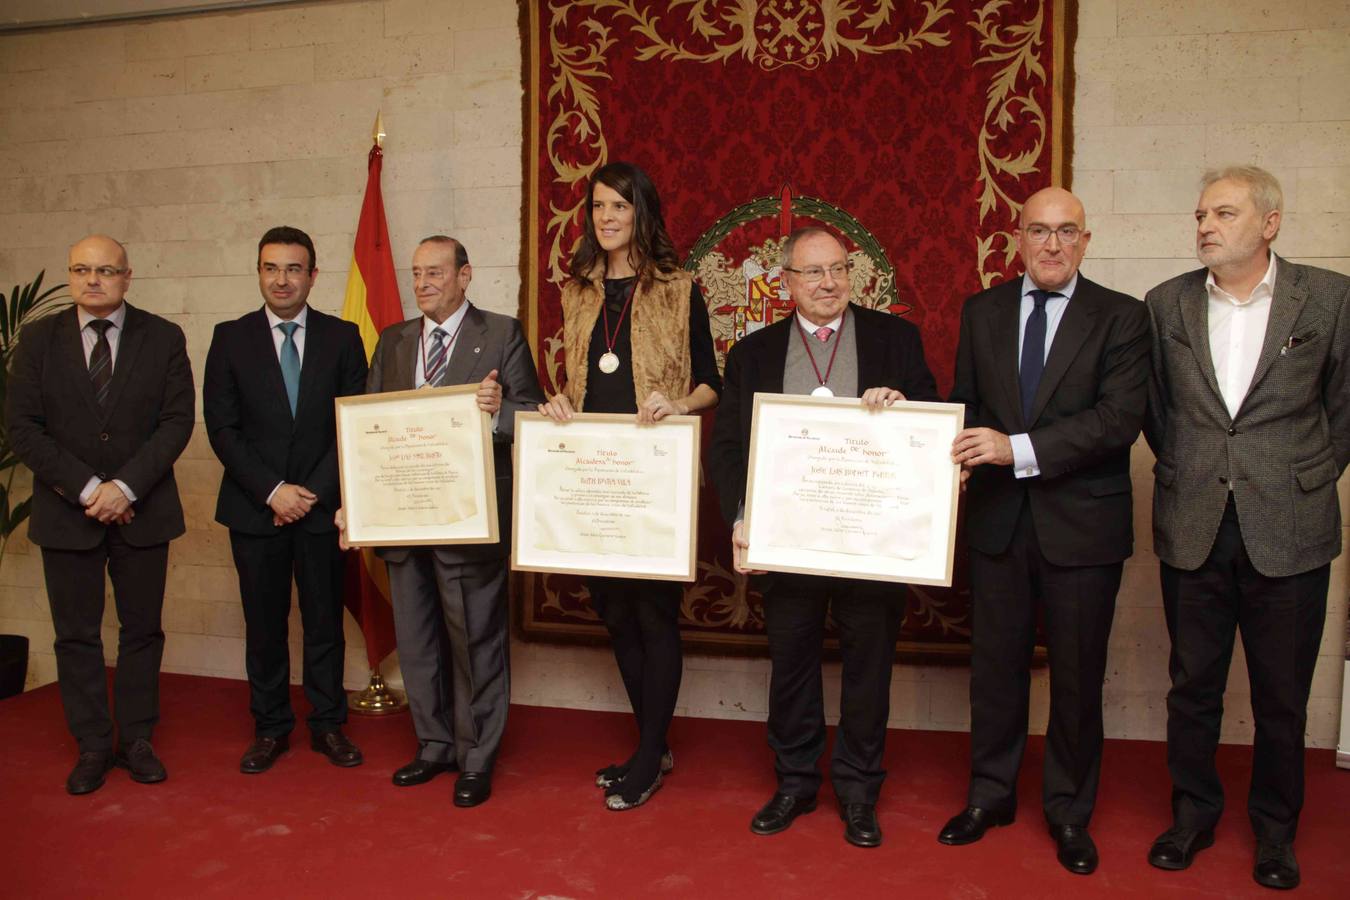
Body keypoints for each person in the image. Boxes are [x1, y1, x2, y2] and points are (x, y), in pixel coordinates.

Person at [1142, 166, 1349, 891]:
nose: (1205, 225)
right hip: (1194, 520)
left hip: (1290, 525)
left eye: (1223, 213)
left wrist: (1297, 476)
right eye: (1200, 214)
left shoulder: (1327, 297)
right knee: (1192, 685)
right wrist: (1201, 471)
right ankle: (1192, 817)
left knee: (1281, 695)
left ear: (1270, 222)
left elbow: (1342, 409)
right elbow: (1160, 413)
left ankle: (1275, 834)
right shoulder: (1164, 304)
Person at [939, 187, 1149, 875]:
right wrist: (941, 453)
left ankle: (1066, 811)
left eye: (1066, 232)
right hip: (998, 524)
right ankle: (990, 796)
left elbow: (1117, 422)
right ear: (1017, 239)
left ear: (1086, 241)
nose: (1052, 244)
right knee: (993, 674)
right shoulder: (983, 311)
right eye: (1038, 231)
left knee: (1078, 678)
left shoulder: (1121, 317)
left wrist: (1013, 449)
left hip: (1082, 528)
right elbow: (965, 404)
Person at [707, 225, 938, 847]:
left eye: (837, 269)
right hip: (788, 542)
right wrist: (741, 517)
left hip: (873, 543)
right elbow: (727, 446)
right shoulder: (752, 353)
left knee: (869, 668)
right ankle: (794, 783)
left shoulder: (896, 340)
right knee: (792, 667)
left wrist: (907, 408)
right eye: (812, 272)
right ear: (786, 283)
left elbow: (935, 427)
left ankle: (860, 793)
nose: (829, 283)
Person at [537, 161, 722, 811]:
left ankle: (648, 755)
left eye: (620, 205)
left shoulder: (678, 286)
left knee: (652, 612)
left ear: (642, 212)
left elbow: (711, 382)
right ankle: (655, 742)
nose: (607, 217)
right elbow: (579, 379)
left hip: (654, 471)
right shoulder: (578, 289)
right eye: (597, 207)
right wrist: (559, 400)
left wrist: (677, 403)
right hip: (594, 472)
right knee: (614, 610)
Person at [339, 235, 542, 807]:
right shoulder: (394, 340)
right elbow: (370, 430)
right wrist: (357, 502)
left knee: (476, 640)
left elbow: (530, 414)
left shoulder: (499, 333)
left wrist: (498, 410)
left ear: (465, 275)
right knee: (418, 638)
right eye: (416, 273)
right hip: (403, 522)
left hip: (470, 520)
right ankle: (433, 745)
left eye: (436, 272)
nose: (423, 282)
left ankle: (477, 757)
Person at [5, 234, 194, 794]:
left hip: (144, 511)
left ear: (128, 277)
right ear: (69, 276)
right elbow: (22, 428)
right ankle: (91, 743)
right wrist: (90, 488)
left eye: (106, 270)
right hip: (68, 513)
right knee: (76, 635)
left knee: (142, 631)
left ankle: (135, 739)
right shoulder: (39, 339)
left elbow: (177, 422)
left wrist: (126, 488)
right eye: (82, 270)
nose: (93, 279)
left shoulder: (162, 337)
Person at [203, 226, 369, 774]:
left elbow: (353, 422)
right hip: (256, 510)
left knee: (324, 623)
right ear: (258, 273)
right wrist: (274, 491)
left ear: (313, 276)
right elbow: (222, 428)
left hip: (321, 509)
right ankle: (271, 728)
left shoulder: (343, 338)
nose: (282, 279)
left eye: (293, 268)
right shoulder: (229, 338)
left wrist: (312, 492)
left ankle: (327, 725)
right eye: (271, 268)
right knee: (265, 625)